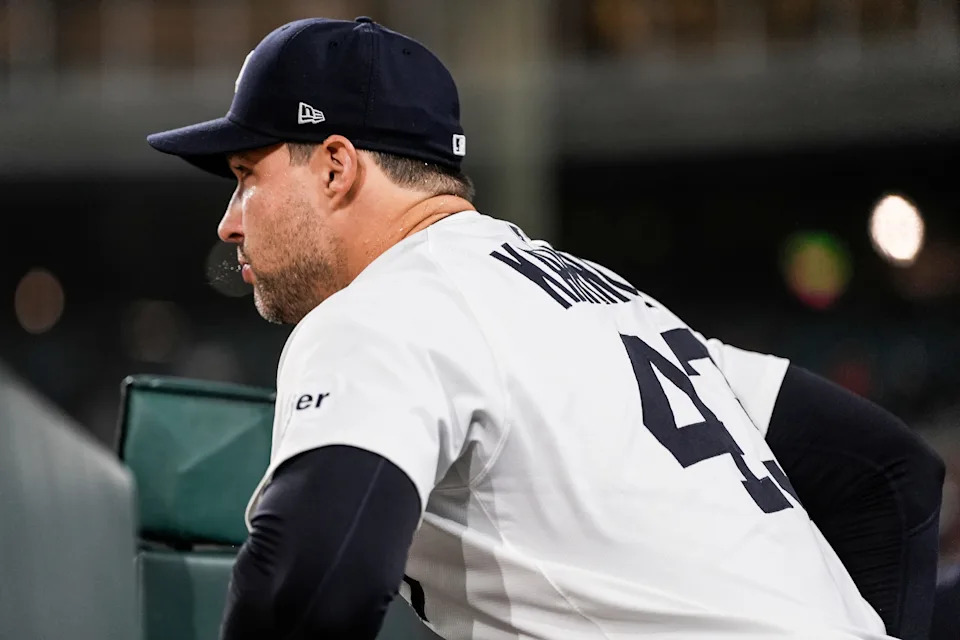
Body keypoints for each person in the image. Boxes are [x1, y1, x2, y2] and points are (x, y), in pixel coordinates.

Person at [147, 16, 944, 640]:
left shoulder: (383, 305)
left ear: (335, 166)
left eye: (248, 177)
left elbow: (308, 594)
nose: (228, 222)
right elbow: (889, 472)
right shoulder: (604, 301)